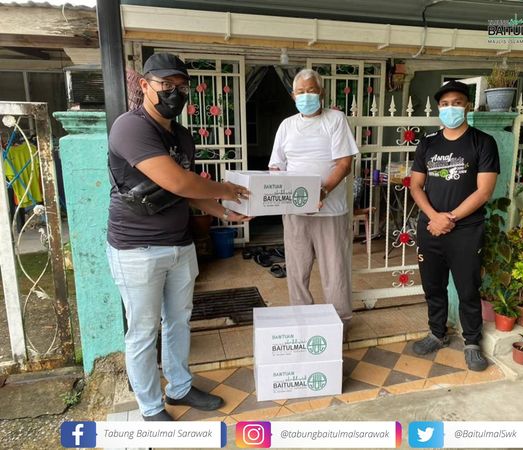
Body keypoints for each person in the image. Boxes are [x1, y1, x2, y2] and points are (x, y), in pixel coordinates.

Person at [106, 53, 250, 421]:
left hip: (179, 244)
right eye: (166, 85)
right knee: (143, 331)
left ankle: (180, 387)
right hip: (137, 248)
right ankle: (150, 406)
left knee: (178, 321)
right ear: (145, 85)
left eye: (182, 87)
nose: (175, 93)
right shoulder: (130, 128)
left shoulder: (183, 136)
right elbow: (177, 181)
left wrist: (224, 212)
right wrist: (226, 189)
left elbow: (188, 193)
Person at [410, 80, 500, 372]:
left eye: (457, 103)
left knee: (467, 288)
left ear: (467, 106)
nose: (451, 108)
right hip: (430, 228)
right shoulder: (428, 143)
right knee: (433, 286)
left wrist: (449, 219)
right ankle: (437, 333)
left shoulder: (483, 142)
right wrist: (434, 217)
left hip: (466, 230)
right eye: (445, 104)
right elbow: (416, 185)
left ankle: (472, 342)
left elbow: (484, 191)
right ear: (439, 108)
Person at [268, 68, 359, 337]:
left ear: (321, 93)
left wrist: (323, 192)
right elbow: (276, 165)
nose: (306, 96)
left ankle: (339, 324)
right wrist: (282, 193)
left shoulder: (335, 119)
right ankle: (302, 319)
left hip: (330, 211)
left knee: (335, 270)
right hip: (295, 212)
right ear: (293, 95)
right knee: (297, 269)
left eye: (311, 90)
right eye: (301, 91)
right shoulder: (286, 125)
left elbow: (344, 163)